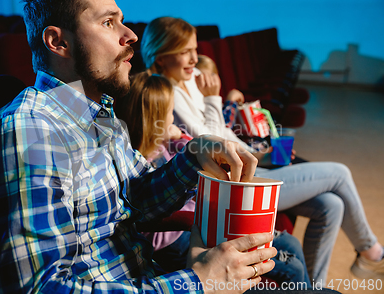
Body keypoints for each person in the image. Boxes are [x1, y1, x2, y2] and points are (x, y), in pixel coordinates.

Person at [0, 0, 279, 293]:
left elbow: (137, 199)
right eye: (108, 23)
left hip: (146, 278)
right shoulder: (28, 135)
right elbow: (41, 288)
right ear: (58, 42)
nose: (131, 35)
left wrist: (194, 157)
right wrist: (197, 283)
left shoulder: (100, 114)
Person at [140, 16, 384, 284]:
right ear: (161, 57)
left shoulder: (191, 80)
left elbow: (223, 132)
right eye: (185, 52)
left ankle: (316, 287)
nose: (194, 59)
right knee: (339, 172)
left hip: (247, 164)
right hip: (233, 182)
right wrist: (213, 98)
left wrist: (258, 153)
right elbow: (209, 144)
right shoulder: (162, 94)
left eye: (195, 50)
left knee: (331, 205)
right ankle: (371, 252)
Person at [116, 71, 312, 287]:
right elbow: (149, 227)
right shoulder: (144, 162)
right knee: (292, 267)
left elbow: (194, 151)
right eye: (170, 112)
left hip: (208, 221)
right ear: (157, 119)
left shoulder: (165, 146)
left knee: (291, 243)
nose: (174, 119)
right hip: (181, 239)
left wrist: (179, 136)